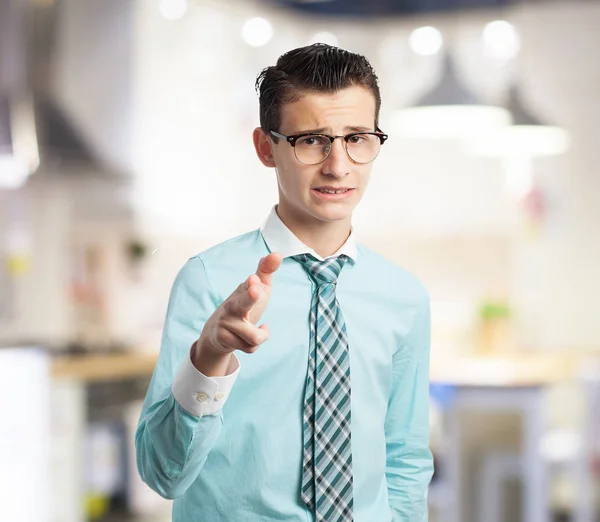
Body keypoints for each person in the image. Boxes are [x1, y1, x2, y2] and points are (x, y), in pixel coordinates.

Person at [136, 43, 434, 522]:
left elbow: (405, 462)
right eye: (312, 140)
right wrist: (208, 359)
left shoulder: (404, 298)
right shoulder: (210, 280)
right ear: (265, 147)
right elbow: (162, 475)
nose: (338, 165)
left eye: (357, 137)